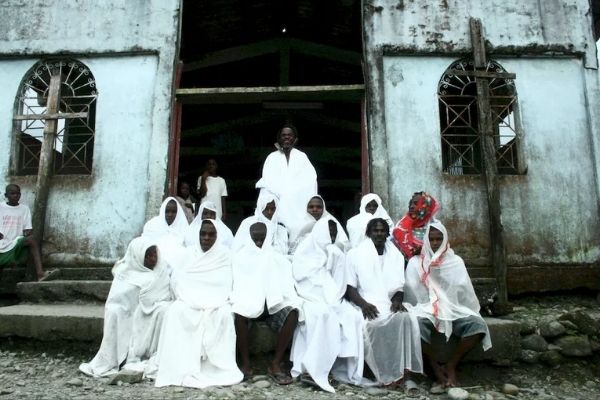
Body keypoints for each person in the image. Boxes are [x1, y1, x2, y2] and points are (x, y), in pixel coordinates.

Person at [403, 221, 491, 391]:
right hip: (426, 307)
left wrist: (445, 299)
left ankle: (451, 365)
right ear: (426, 241)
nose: (435, 243)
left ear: (445, 239)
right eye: (432, 239)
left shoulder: (455, 261)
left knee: (478, 325)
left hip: (452, 306)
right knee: (416, 326)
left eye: (439, 239)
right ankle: (435, 368)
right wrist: (433, 302)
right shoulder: (416, 262)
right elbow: (413, 291)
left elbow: (462, 289)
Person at [155, 220, 243, 388]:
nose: (206, 238)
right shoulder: (188, 254)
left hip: (217, 301)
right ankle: (178, 364)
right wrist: (190, 298)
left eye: (211, 234)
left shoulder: (225, 254)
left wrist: (212, 301)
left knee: (223, 315)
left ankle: (216, 368)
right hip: (189, 299)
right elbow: (177, 280)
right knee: (176, 311)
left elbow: (226, 282)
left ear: (217, 236)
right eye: (203, 234)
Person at [345, 218, 423, 387]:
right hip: (365, 302)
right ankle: (382, 374)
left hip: (388, 301)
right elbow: (350, 288)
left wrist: (396, 301)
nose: (379, 234)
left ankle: (405, 374)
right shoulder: (355, 254)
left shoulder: (395, 254)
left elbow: (398, 286)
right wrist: (364, 305)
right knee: (372, 325)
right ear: (368, 233)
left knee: (405, 319)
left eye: (382, 231)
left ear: (388, 233)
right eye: (375, 230)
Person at [79, 237, 172, 377]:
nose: (153, 259)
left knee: (166, 310)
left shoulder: (160, 272)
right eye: (148, 256)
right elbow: (116, 301)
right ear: (137, 256)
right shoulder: (125, 274)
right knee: (116, 312)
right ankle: (120, 357)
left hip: (152, 314)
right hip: (129, 313)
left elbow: (165, 295)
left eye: (154, 254)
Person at [291, 217, 364, 392]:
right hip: (308, 296)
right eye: (328, 233)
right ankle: (310, 368)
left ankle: (345, 369)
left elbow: (339, 281)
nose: (331, 236)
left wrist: (334, 297)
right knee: (322, 316)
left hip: (331, 296)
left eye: (334, 233)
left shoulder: (336, 252)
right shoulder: (304, 249)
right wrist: (318, 292)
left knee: (352, 316)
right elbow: (300, 278)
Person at [231, 222, 300, 385]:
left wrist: (276, 297)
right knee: (239, 314)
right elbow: (238, 286)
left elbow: (285, 286)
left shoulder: (276, 257)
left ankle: (275, 363)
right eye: (256, 240)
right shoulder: (240, 257)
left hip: (272, 305)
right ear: (249, 238)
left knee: (293, 313)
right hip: (249, 303)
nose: (259, 243)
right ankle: (246, 365)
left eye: (262, 239)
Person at [255, 123, 318, 237]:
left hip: (298, 206)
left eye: (290, 135)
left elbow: (311, 181)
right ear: (279, 139)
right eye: (283, 135)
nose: (287, 137)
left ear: (295, 139)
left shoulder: (302, 157)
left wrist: (294, 192)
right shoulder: (272, 157)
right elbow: (267, 182)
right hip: (278, 206)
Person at [0, 184, 50, 281]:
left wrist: (27, 233)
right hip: (1, 243)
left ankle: (40, 273)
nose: (16, 195)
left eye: (18, 193)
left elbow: (28, 229)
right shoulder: (1, 207)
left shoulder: (24, 209)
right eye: (12, 193)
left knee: (31, 240)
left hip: (16, 242)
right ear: (6, 195)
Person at [232, 191, 288, 255]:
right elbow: (238, 248)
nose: (270, 212)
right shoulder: (248, 223)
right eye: (266, 208)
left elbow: (283, 252)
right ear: (260, 208)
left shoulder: (280, 228)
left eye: (272, 209)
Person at [141, 197, 189, 267]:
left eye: (173, 212)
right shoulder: (152, 225)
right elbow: (144, 244)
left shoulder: (184, 228)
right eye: (167, 211)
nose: (170, 214)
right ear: (163, 210)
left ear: (178, 213)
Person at [392, 191, 440, 260]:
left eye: (416, 204)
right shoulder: (400, 229)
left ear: (426, 206)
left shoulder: (437, 228)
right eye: (410, 204)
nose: (411, 207)